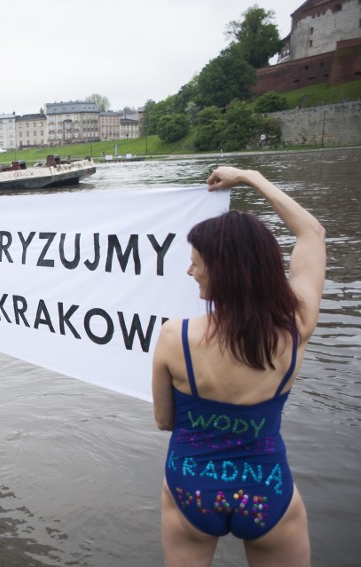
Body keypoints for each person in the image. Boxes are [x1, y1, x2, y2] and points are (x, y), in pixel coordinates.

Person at [152, 166, 326, 567]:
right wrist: (252, 178)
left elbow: (164, 421)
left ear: (224, 272)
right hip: (266, 491)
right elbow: (312, 233)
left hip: (192, 487)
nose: (190, 271)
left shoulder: (174, 337)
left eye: (197, 263)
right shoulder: (296, 326)